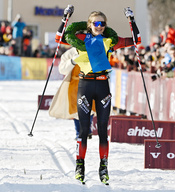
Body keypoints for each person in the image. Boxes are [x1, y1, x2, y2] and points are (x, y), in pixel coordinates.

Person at [54, 5, 141, 184]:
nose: (99, 26)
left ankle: (103, 167)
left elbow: (136, 40)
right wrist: (65, 17)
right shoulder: (79, 38)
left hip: (102, 86)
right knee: (84, 131)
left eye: (102, 23)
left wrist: (131, 20)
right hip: (85, 85)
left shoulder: (110, 40)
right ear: (89, 24)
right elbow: (59, 38)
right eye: (96, 23)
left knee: (102, 131)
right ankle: (80, 166)